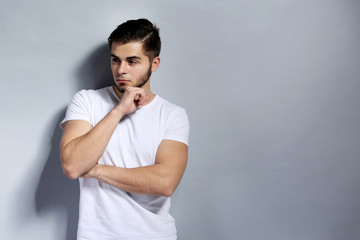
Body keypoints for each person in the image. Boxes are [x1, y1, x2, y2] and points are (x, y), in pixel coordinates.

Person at [59, 18, 189, 240]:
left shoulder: (173, 115)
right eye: (115, 60)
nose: (121, 70)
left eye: (132, 61)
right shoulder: (87, 101)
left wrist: (93, 169)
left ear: (154, 64)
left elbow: (166, 182)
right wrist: (118, 111)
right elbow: (72, 165)